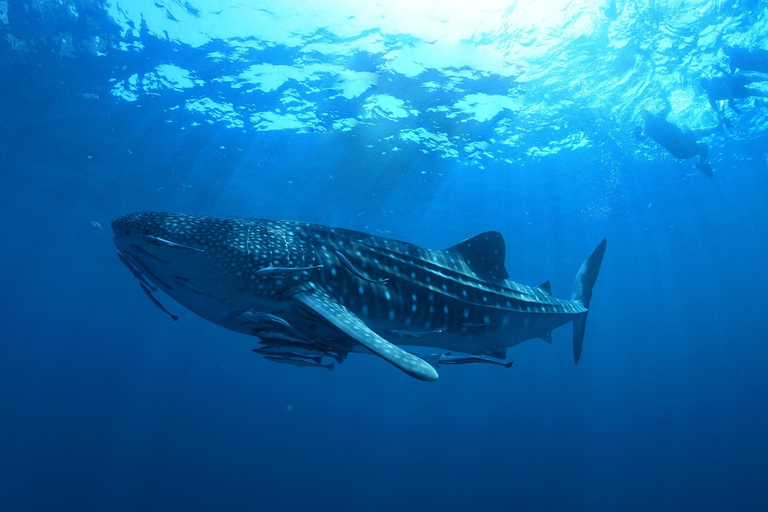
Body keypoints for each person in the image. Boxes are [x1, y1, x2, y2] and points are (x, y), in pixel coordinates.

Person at [632, 97, 722, 178]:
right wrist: (665, 97)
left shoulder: (650, 124)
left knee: (698, 138)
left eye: (647, 112)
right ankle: (701, 164)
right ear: (648, 114)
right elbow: (668, 107)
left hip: (680, 147)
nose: (649, 112)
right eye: (647, 112)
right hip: (681, 145)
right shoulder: (652, 122)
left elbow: (642, 138)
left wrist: (636, 134)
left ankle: (717, 128)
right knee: (702, 143)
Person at [700, 69, 768, 116]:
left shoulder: (715, 80)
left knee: (752, 80)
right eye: (707, 87)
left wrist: (731, 104)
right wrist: (724, 119)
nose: (710, 87)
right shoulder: (711, 96)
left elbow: (726, 89)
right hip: (736, 92)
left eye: (708, 84)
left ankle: (766, 80)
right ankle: (765, 94)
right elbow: (716, 112)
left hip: (735, 82)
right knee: (752, 91)